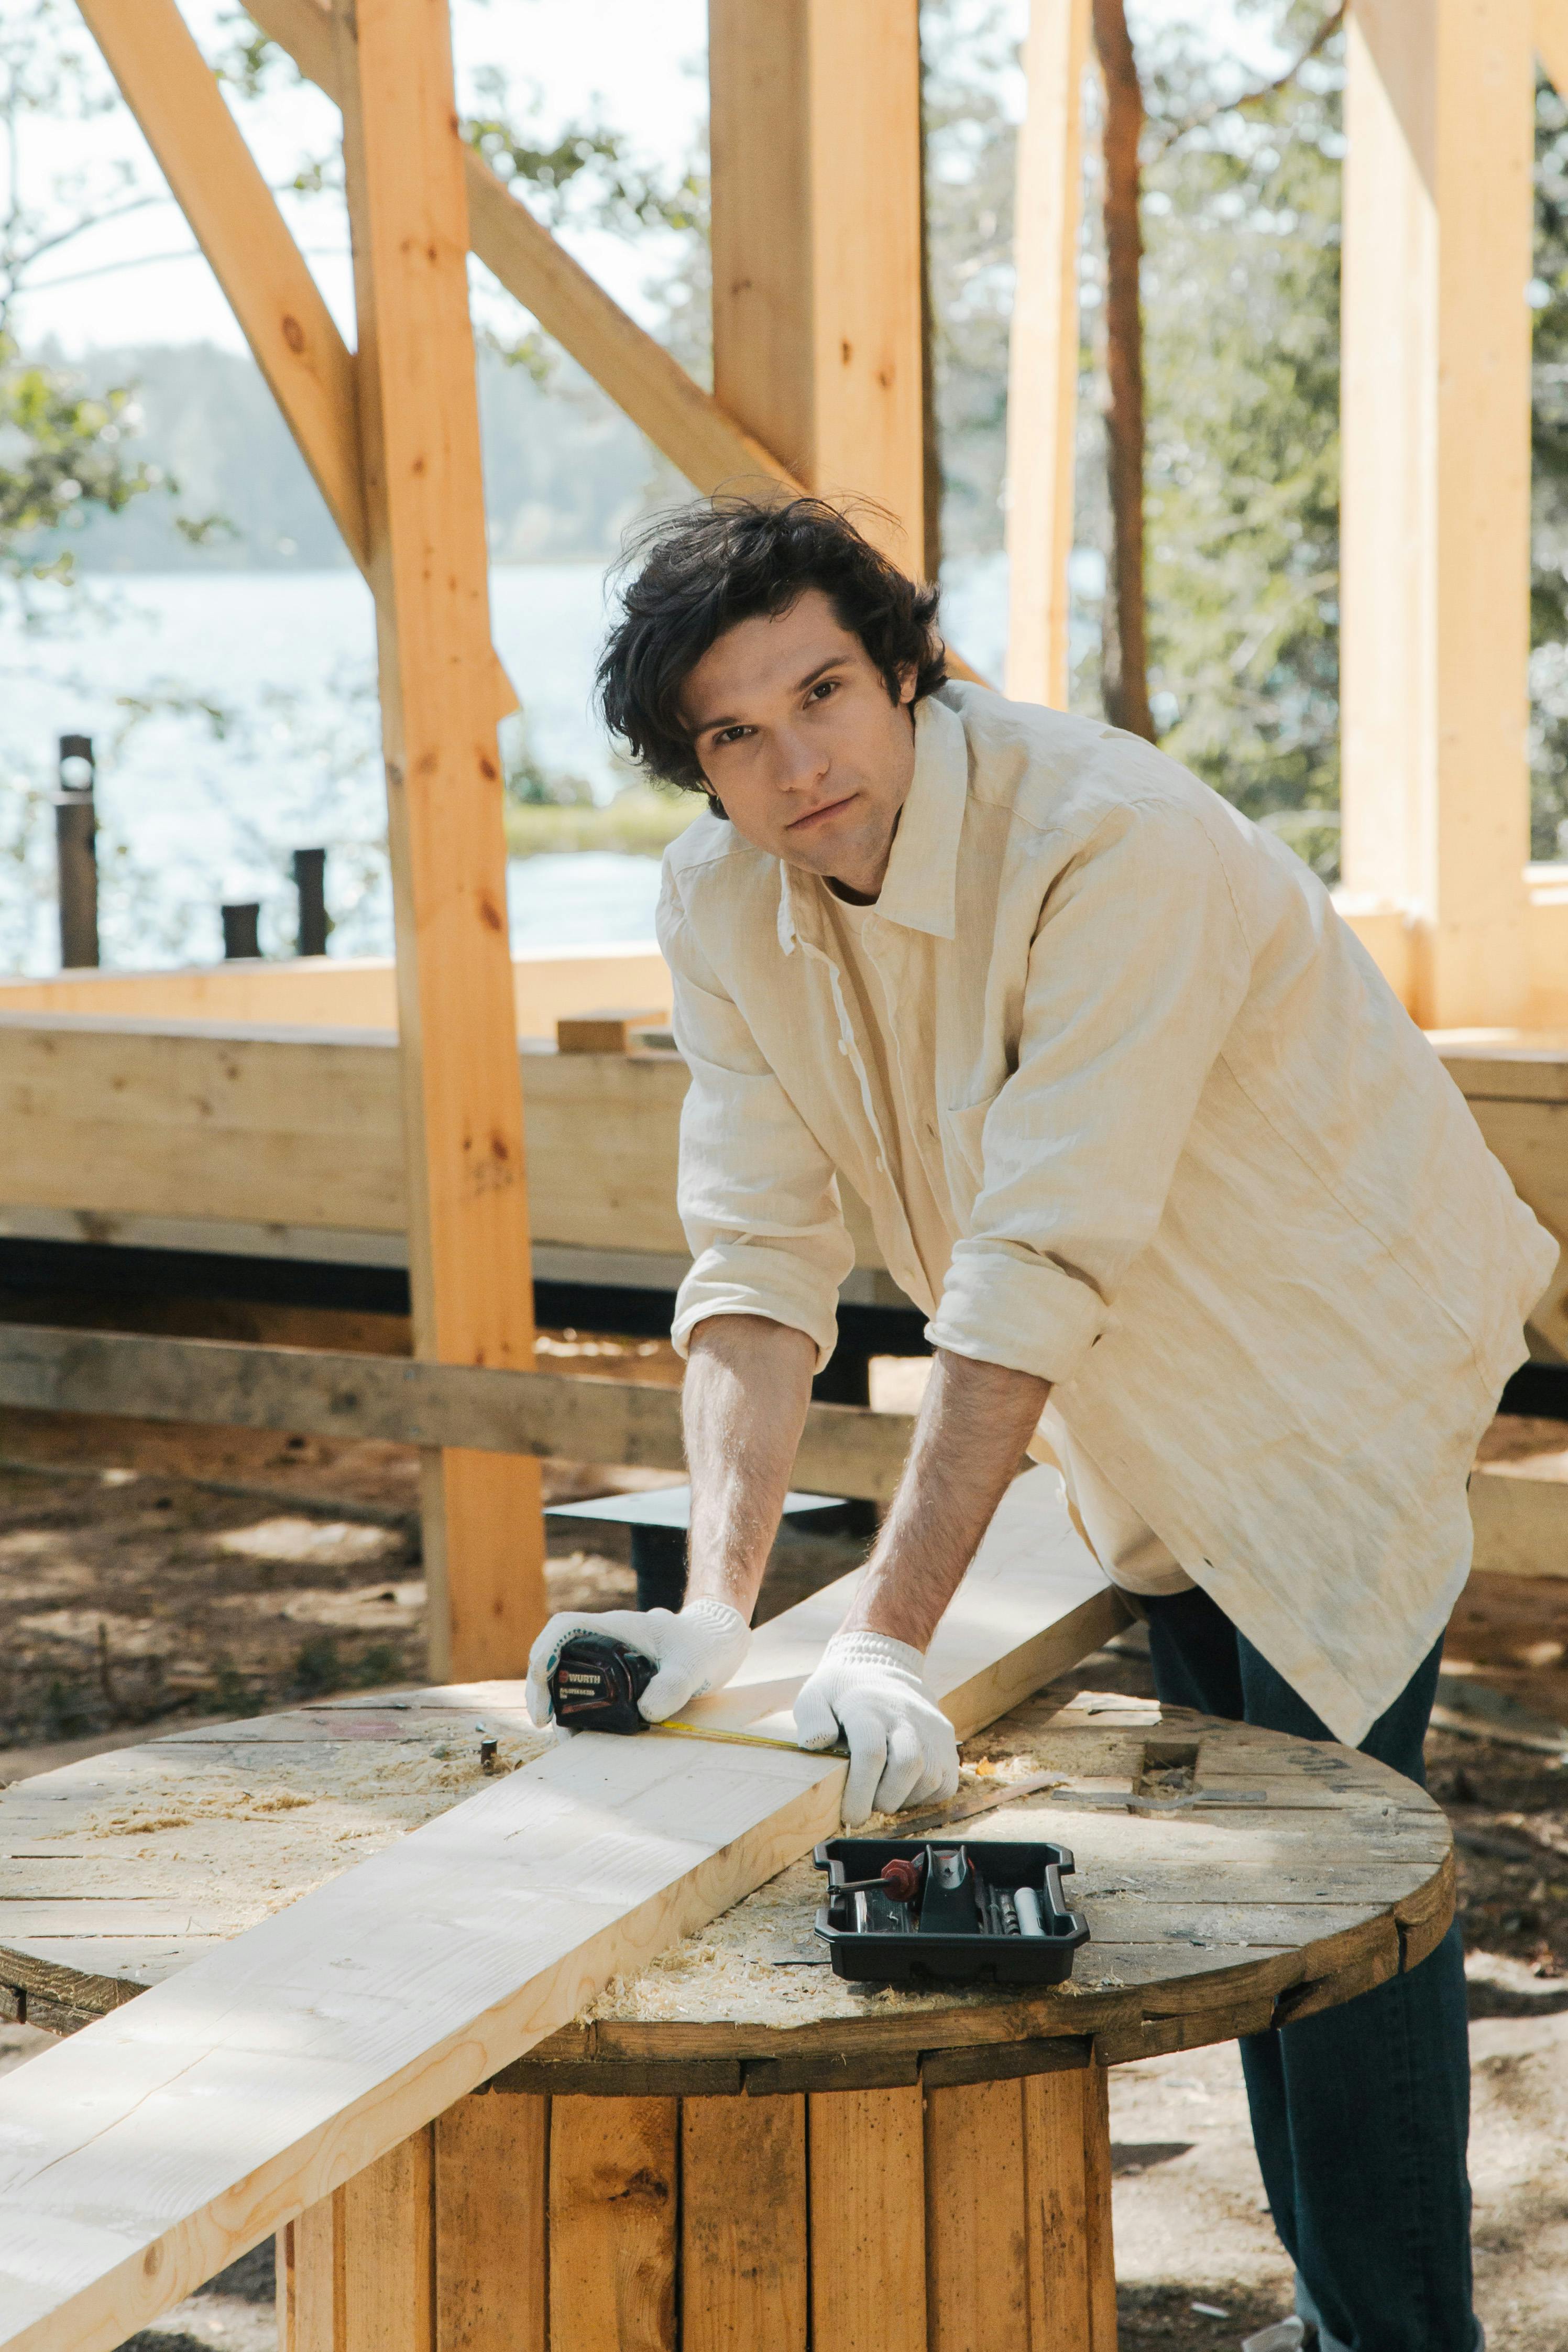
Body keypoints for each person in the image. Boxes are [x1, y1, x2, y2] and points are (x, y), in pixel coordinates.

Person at [525, 495, 1551, 2352]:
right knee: (1256, 1862)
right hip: (1137, 1388)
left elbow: (1029, 1259)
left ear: (906, 665)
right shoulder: (718, 899)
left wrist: (893, 1634)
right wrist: (719, 1604)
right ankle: (1349, 2322)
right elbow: (755, 1256)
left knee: (1340, 1880)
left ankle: (1393, 2341)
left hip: (1324, 1348)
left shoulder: (1109, 840)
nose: (793, 761)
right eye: (731, 734)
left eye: (822, 691)